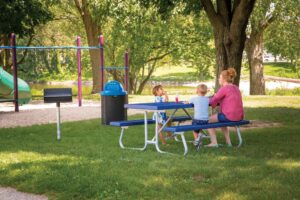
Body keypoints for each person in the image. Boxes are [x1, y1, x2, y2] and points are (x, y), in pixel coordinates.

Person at [206, 68, 244, 147]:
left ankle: (214, 142)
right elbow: (228, 99)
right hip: (239, 116)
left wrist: (206, 100)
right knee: (222, 121)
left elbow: (213, 100)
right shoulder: (236, 88)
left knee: (208, 120)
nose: (219, 79)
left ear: (223, 79)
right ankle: (228, 143)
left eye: (220, 78)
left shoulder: (224, 88)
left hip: (229, 116)